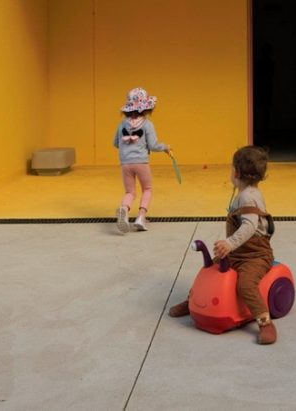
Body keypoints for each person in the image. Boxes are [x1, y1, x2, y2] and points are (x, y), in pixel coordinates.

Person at [169, 145, 278, 345]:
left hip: (255, 255)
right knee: (209, 268)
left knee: (245, 284)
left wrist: (229, 243)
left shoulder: (248, 197)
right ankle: (194, 302)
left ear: (235, 172)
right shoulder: (245, 192)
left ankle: (265, 322)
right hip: (238, 252)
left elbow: (249, 226)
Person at [113, 87, 169, 233]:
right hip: (141, 162)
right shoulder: (148, 125)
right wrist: (165, 147)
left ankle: (124, 209)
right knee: (147, 189)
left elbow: (115, 143)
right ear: (146, 108)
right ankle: (140, 217)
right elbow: (153, 145)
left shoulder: (121, 125)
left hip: (125, 163)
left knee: (130, 192)